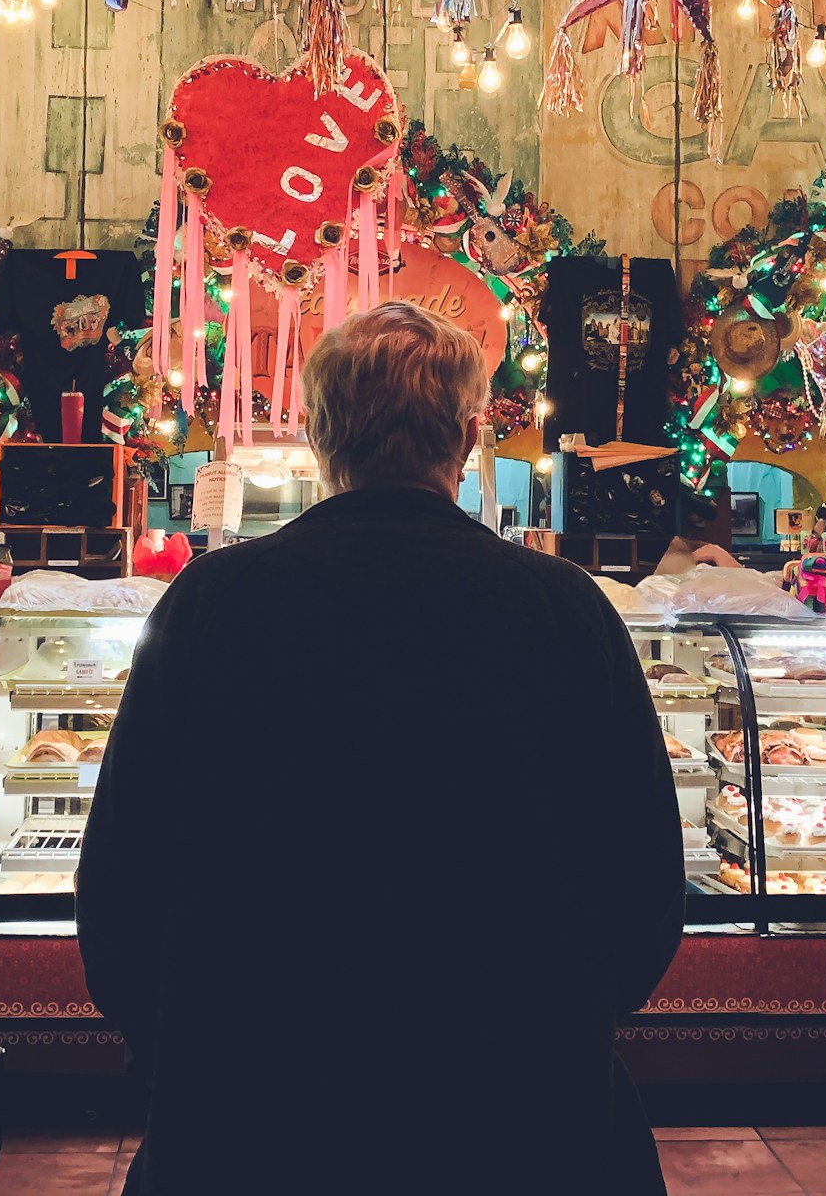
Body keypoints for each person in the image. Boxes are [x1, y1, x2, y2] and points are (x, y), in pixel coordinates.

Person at [79, 302, 687, 1196]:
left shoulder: (214, 603)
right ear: (472, 436)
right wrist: (562, 1028)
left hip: (252, 1110)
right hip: (520, 1110)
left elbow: (120, 881)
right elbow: (645, 885)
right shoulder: (566, 609)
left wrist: (178, 1052)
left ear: (320, 435)